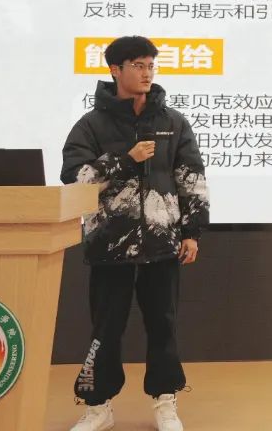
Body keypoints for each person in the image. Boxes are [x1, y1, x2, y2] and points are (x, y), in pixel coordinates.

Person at [60, 36, 209, 431]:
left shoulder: (173, 122)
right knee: (105, 327)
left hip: (163, 245)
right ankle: (98, 406)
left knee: (163, 324)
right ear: (115, 70)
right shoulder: (91, 125)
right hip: (109, 244)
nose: (147, 73)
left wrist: (192, 231)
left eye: (150, 65)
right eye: (138, 65)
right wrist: (125, 160)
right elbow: (76, 178)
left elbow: (191, 178)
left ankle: (165, 401)